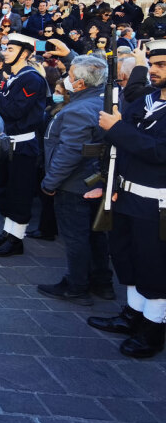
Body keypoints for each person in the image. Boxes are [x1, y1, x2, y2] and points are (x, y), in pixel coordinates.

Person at [88, 39, 166, 358]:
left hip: (156, 203)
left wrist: (117, 128)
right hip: (126, 193)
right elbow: (121, 145)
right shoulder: (147, 98)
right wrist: (107, 183)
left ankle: (153, 328)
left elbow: (158, 151)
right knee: (127, 258)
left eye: (162, 66)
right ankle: (133, 315)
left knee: (154, 267)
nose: (154, 71)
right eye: (153, 64)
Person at [36, 55, 112, 305]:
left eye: (69, 76)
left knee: (77, 237)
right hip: (92, 180)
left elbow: (70, 151)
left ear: (79, 84)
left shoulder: (79, 109)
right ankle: (102, 282)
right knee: (95, 235)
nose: (65, 79)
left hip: (75, 184)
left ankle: (77, 285)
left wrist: (51, 182)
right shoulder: (103, 101)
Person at [0, 33, 49, 256]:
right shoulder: (14, 76)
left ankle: (17, 239)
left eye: (11, 49)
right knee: (4, 189)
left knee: (19, 193)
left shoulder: (32, 79)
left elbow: (15, 111)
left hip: (22, 146)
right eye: (6, 48)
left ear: (26, 53)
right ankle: (8, 231)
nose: (6, 53)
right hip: (6, 142)